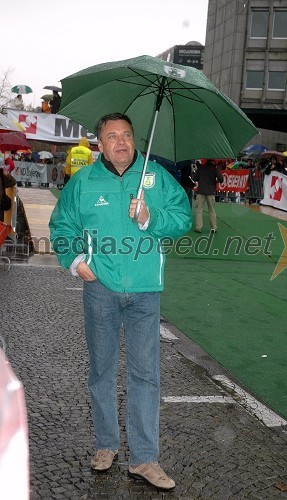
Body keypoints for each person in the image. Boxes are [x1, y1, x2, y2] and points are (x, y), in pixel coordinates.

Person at [49, 112, 192, 491]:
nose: (122, 142)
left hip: (145, 290)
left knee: (146, 375)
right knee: (101, 372)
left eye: (127, 135)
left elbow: (182, 218)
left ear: (134, 139)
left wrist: (151, 215)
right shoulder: (83, 182)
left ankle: (144, 459)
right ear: (99, 144)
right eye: (112, 136)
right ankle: (106, 446)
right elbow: (61, 225)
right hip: (101, 289)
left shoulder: (156, 177)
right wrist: (77, 262)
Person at [192, 158, 224, 233]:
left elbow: (194, 178)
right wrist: (216, 181)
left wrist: (195, 172)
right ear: (212, 161)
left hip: (201, 191)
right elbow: (221, 179)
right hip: (210, 192)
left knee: (199, 210)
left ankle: (198, 227)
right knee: (211, 210)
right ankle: (213, 227)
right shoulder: (214, 169)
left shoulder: (201, 168)